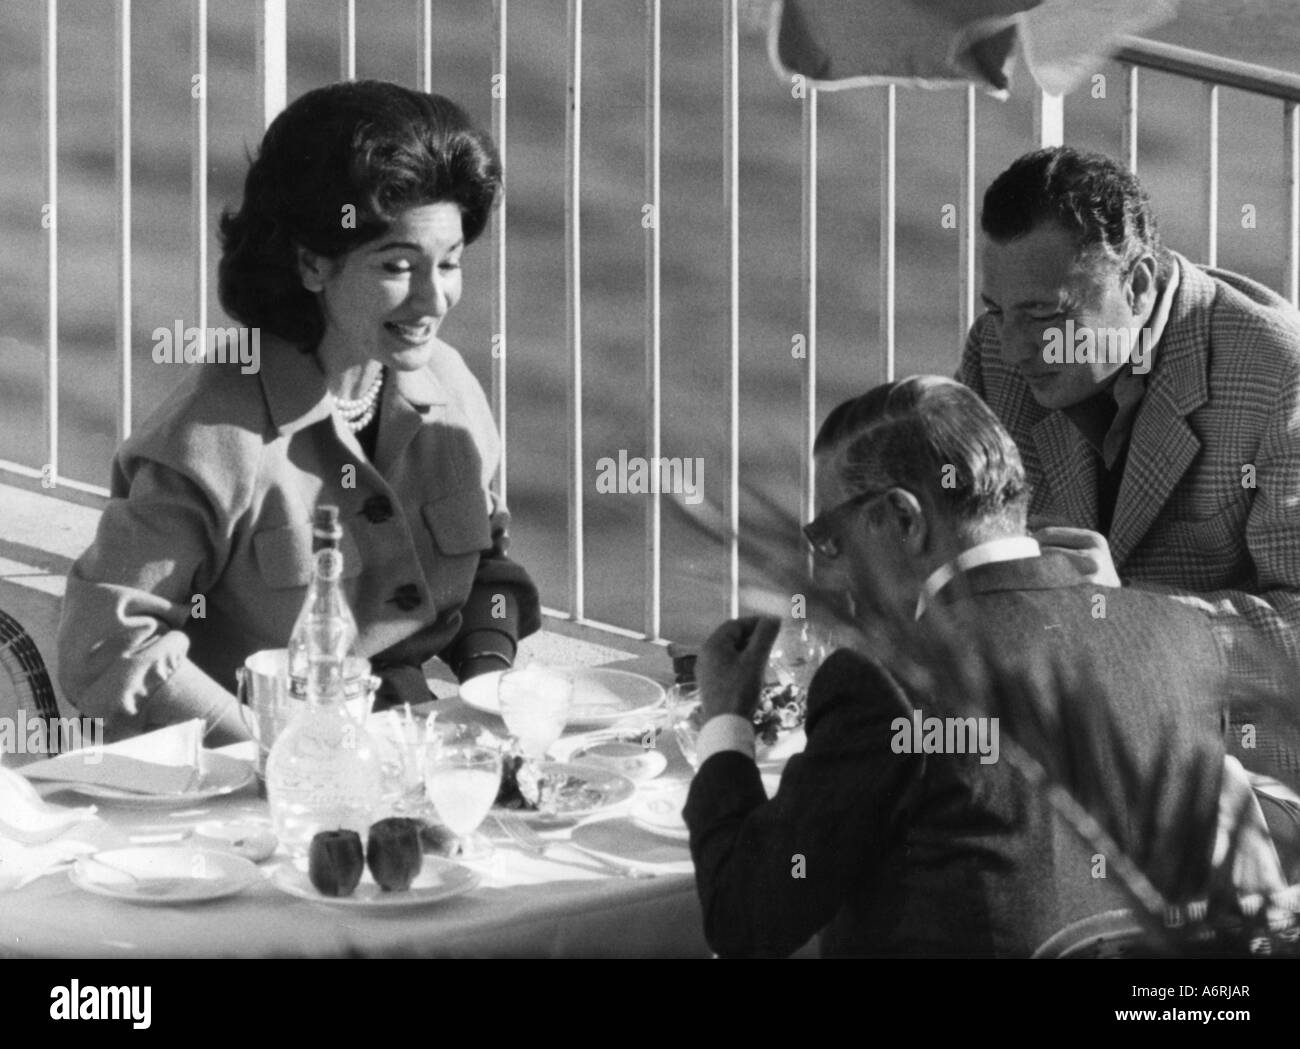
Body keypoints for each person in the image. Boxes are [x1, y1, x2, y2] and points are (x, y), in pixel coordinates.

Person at [58, 81, 540, 744]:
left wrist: (489, 688)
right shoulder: (211, 435)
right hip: (241, 777)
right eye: (398, 266)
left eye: (450, 262)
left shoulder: (450, 387)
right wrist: (272, 747)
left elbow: (490, 571)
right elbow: (106, 645)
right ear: (313, 263)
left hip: (405, 749)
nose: (434, 299)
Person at [684, 376, 1230, 958]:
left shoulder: (892, 683)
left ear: (904, 517)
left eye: (830, 538)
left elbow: (745, 919)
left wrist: (726, 723)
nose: (829, 572)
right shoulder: (1185, 636)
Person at [957, 145, 1300, 688]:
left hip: (1222, 729)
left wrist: (1134, 617)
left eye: (1044, 315)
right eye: (997, 310)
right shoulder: (992, 354)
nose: (1016, 348)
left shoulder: (1278, 372)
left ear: (1137, 286)